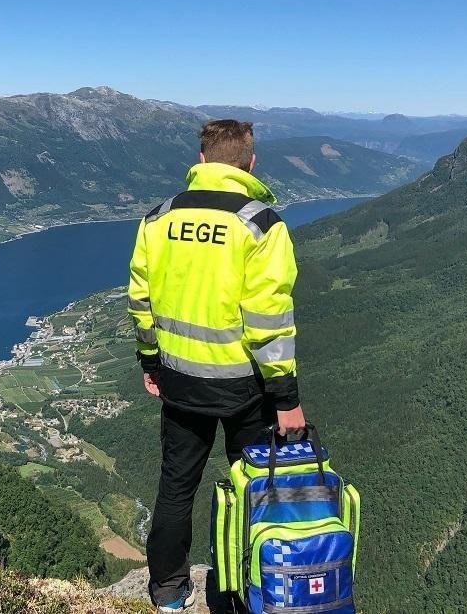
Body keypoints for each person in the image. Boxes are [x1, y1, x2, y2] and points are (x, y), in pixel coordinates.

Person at [127, 119, 305, 612]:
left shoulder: (157, 219)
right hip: (245, 388)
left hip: (180, 382)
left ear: (201, 161)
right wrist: (286, 398)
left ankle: (168, 591)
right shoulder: (261, 224)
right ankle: (254, 588)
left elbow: (141, 301)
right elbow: (268, 319)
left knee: (176, 487)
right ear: (251, 164)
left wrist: (150, 360)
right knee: (256, 487)